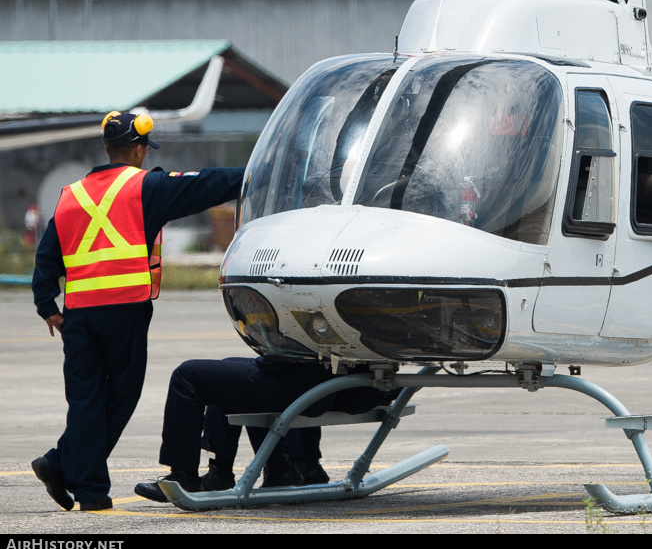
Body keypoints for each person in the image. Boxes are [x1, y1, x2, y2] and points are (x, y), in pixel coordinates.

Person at [31, 111, 244, 512]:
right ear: (140, 149)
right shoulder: (146, 186)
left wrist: (47, 305)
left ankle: (86, 488)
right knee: (120, 398)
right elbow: (209, 184)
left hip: (77, 315)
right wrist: (260, 170)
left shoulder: (69, 194)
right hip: (124, 311)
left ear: (107, 147)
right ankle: (60, 465)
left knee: (85, 401)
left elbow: (46, 259)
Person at [135, 356, 386, 502]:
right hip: (352, 386)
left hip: (308, 382)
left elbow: (282, 352)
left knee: (188, 374)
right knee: (228, 369)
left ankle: (184, 476)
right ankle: (277, 469)